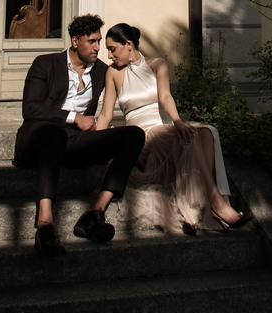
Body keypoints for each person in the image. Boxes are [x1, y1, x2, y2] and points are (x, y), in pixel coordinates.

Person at [95, 22, 250, 234]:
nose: (110, 55)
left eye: (112, 49)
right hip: (139, 137)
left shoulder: (158, 65)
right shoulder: (113, 73)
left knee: (205, 132)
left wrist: (177, 120)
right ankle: (218, 204)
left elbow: (165, 96)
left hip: (161, 128)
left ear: (128, 45)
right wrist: (95, 144)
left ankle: (203, 207)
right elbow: (105, 114)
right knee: (189, 137)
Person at [13, 13, 146, 256]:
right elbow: (30, 108)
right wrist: (75, 118)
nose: (98, 48)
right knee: (53, 133)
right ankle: (45, 225)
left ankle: (94, 214)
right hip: (40, 139)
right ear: (75, 41)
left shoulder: (101, 71)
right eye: (92, 42)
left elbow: (135, 68)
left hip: (75, 143)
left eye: (100, 42)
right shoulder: (45, 63)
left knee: (133, 136)